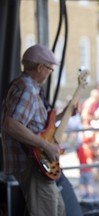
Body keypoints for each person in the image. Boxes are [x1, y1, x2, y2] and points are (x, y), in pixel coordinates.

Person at [1, 44, 66, 216]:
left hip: (35, 161)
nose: (50, 73)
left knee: (57, 210)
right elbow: (12, 125)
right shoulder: (27, 89)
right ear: (40, 67)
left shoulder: (24, 86)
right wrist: (46, 146)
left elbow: (37, 124)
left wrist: (64, 114)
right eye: (50, 69)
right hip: (32, 162)